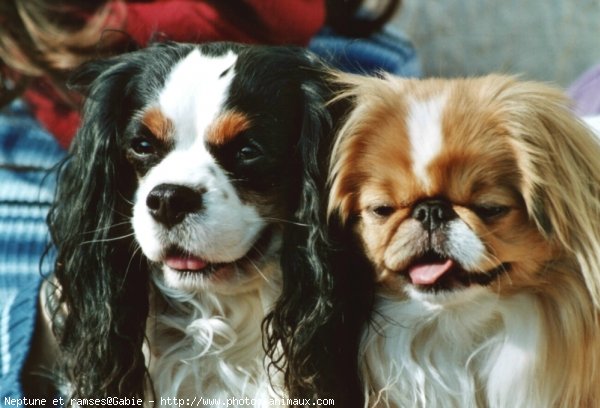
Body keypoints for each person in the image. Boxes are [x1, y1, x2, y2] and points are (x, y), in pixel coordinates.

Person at [0, 0, 418, 400]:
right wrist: (54, 324)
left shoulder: (368, 64)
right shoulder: (17, 64)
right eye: (145, 147)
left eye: (246, 152)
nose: (168, 194)